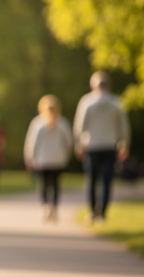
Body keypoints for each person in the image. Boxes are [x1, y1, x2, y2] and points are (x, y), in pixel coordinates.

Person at [73, 71, 130, 222]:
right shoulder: (116, 102)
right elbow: (124, 127)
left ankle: (93, 212)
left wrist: (78, 143)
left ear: (93, 85)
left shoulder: (86, 101)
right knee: (106, 181)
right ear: (109, 85)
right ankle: (103, 214)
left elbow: (79, 126)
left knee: (92, 180)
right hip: (110, 146)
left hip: (91, 146)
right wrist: (124, 144)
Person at [24, 95, 72, 223]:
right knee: (55, 185)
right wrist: (65, 154)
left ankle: (45, 206)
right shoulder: (63, 123)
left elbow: (32, 143)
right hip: (58, 160)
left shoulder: (37, 123)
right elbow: (68, 143)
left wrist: (29, 157)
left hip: (42, 160)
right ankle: (54, 208)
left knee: (44, 185)